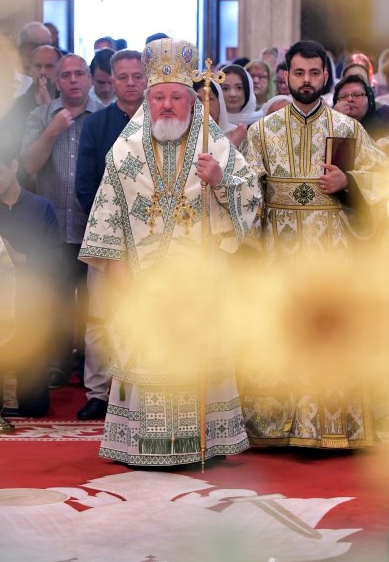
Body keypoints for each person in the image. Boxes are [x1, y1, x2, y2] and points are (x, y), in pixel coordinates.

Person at [79, 37, 262, 466]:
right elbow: (109, 214)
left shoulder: (211, 145)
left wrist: (221, 179)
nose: (166, 105)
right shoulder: (125, 150)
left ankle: (204, 440)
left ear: (191, 101)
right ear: (147, 98)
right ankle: (145, 443)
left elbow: (251, 197)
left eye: (176, 97)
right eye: (157, 96)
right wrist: (118, 271)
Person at [241, 40, 389, 449]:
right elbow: (247, 193)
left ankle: (332, 428)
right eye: (298, 73)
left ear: (325, 77)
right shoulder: (262, 131)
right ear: (285, 76)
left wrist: (349, 183)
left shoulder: (347, 128)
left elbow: (386, 180)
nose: (305, 81)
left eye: (313, 73)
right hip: (280, 253)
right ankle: (278, 428)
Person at [75, 50, 148, 420]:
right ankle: (99, 393)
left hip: (153, 241)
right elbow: (85, 184)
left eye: (138, 76)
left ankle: (137, 390)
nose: (131, 83)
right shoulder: (97, 124)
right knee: (101, 316)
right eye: (124, 77)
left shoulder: (164, 122)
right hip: (107, 235)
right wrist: (111, 228)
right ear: (112, 80)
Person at [21, 54, 98, 388]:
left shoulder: (103, 117)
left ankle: (87, 362)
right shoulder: (40, 116)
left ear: (90, 79)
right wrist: (52, 132)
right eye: (65, 75)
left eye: (79, 73)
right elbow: (29, 165)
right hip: (53, 226)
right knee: (57, 296)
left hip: (93, 224)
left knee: (92, 299)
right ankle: (57, 361)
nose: (73, 80)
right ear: (57, 80)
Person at [0, 152, 62, 417]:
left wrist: (18, 257)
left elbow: (55, 261)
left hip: (30, 299)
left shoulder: (41, 206)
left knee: (35, 407)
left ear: (13, 166)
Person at [333, 73, 389, 140]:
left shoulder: (386, 119)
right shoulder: (327, 124)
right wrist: (336, 121)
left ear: (369, 99)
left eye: (357, 95)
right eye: (343, 96)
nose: (350, 99)